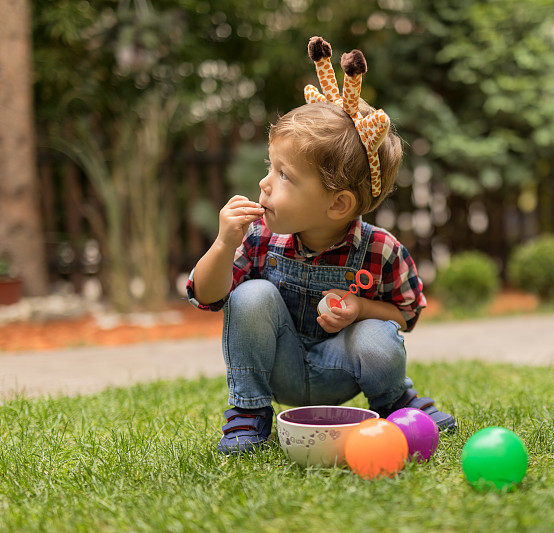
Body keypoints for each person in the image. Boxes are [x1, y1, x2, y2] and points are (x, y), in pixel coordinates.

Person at [187, 36, 456, 454]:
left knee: (376, 335)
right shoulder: (259, 238)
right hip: (282, 367)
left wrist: (360, 308)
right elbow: (206, 295)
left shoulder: (381, 250)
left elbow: (406, 315)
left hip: (342, 372)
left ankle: (395, 403)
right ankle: (248, 411)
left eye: (284, 175)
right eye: (269, 167)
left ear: (338, 203)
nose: (264, 182)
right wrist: (224, 244)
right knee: (251, 294)